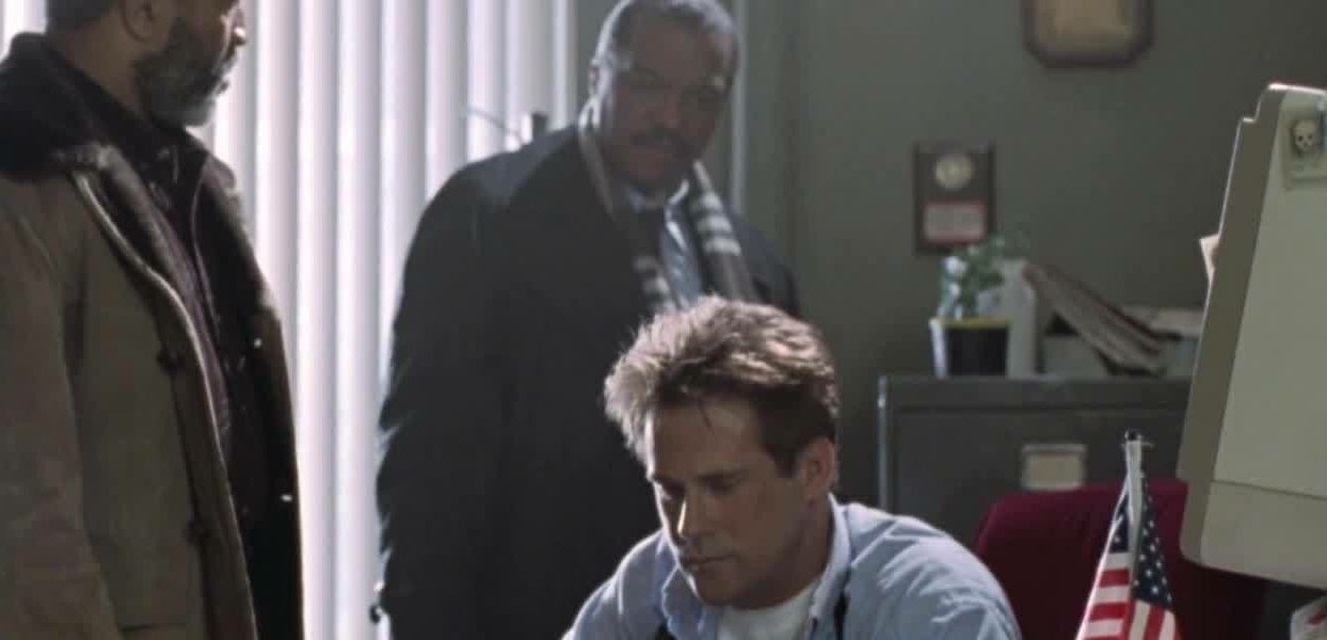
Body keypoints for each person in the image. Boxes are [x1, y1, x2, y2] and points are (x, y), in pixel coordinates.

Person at [0, 1, 300, 638]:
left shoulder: (182, 188)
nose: (241, 32)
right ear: (144, 12)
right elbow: (4, 555)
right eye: (226, 7)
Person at [374, 1, 801, 636]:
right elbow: (428, 465)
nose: (670, 118)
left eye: (700, 98)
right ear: (596, 76)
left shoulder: (755, 265)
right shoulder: (489, 218)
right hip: (541, 612)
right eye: (647, 85)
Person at [568, 298, 1019, 640]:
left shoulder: (933, 611)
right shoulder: (651, 584)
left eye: (722, 486)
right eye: (670, 490)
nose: (688, 526)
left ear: (814, 470)